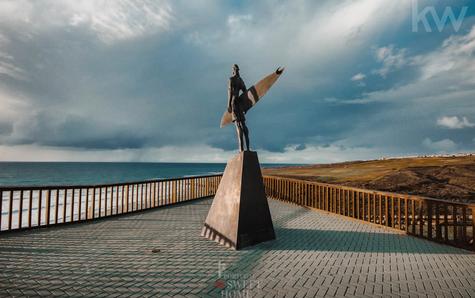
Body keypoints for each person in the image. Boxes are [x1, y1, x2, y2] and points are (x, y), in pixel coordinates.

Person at [227, 64, 250, 151]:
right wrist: (246, 106)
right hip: (240, 104)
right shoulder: (240, 80)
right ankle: (247, 149)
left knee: (238, 126)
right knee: (243, 125)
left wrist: (229, 105)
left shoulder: (231, 79)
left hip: (234, 103)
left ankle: (241, 149)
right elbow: (245, 93)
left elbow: (230, 93)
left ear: (233, 70)